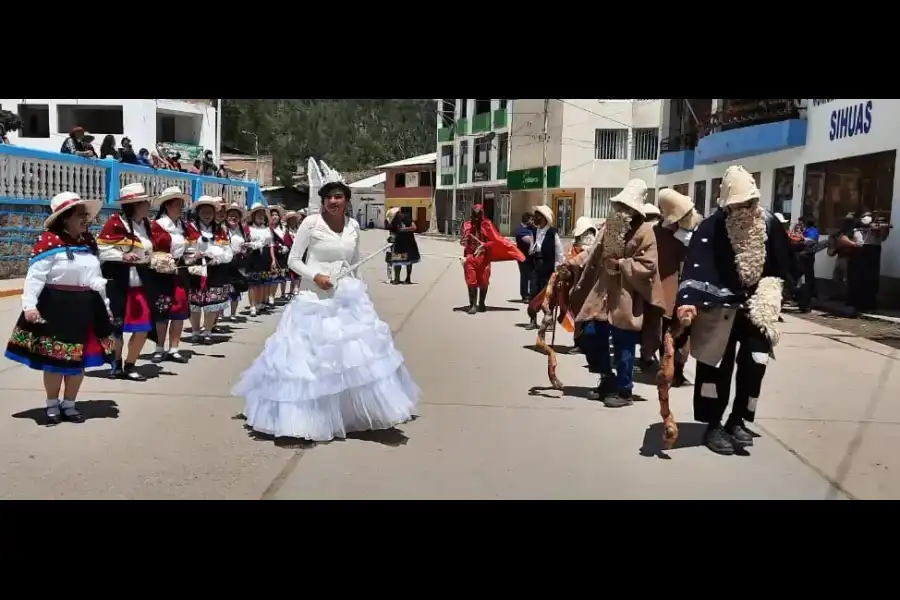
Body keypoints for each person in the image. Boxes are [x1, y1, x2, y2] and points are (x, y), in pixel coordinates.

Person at [233, 168, 420, 442]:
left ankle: (347, 414)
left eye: (339, 196)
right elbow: (294, 260)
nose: (334, 201)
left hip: (346, 297)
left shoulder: (354, 226)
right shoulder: (311, 224)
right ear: (322, 201)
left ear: (346, 200)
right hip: (314, 297)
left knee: (350, 360)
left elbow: (354, 263)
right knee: (311, 360)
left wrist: (361, 296)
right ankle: (306, 419)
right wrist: (315, 275)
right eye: (329, 197)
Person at [676, 166, 797, 455]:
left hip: (756, 308)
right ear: (727, 204)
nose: (746, 209)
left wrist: (773, 292)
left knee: (755, 364)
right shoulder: (710, 228)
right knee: (716, 368)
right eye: (739, 204)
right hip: (720, 308)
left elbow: (785, 266)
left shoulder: (768, 223)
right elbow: (697, 267)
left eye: (750, 203)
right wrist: (689, 302)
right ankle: (713, 424)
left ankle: (739, 419)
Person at [4, 192, 115, 424]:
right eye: (80, 215)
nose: (85, 219)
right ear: (65, 218)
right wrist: (29, 306)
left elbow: (96, 277)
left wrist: (105, 306)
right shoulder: (50, 241)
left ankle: (70, 404)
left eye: (86, 215)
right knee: (55, 360)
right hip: (56, 307)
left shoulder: (88, 243)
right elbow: (35, 277)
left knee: (78, 360)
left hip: (86, 307)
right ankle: (52, 404)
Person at [568, 180, 657, 408]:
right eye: (619, 206)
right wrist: (569, 264)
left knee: (624, 345)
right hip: (602, 294)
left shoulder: (646, 232)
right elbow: (592, 253)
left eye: (626, 207)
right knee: (589, 333)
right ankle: (607, 378)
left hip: (627, 297)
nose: (621, 211)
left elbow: (648, 266)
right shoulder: (610, 227)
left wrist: (621, 265)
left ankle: (624, 391)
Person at [641, 188, 702, 386]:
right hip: (665, 292)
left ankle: (679, 369)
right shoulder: (656, 233)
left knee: (685, 335)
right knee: (665, 332)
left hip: (690, 291)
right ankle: (667, 369)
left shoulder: (694, 231)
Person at [97, 183, 158, 381]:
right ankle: (116, 364)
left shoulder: (146, 224)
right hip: (118, 281)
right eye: (144, 202)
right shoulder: (114, 224)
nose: (147, 205)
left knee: (142, 326)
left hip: (140, 282)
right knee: (116, 327)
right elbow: (102, 250)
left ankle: (131, 364)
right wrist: (123, 257)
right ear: (133, 205)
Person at [148, 186, 200, 363]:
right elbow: (149, 249)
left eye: (181, 205)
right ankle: (159, 348)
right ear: (167, 206)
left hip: (180, 274)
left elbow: (193, 247)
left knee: (179, 311)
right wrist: (160, 260)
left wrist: (193, 256)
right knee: (162, 312)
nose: (181, 208)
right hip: (161, 275)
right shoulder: (156, 226)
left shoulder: (184, 227)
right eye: (177, 205)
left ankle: (174, 348)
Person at [187, 196, 234, 344]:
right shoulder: (190, 228)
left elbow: (228, 251)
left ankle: (207, 331)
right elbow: (186, 249)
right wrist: (195, 255)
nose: (207, 215)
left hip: (215, 269)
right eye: (203, 211)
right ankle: (195, 331)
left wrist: (218, 258)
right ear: (198, 212)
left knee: (212, 303)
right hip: (196, 269)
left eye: (210, 212)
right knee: (195, 302)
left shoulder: (221, 230)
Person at [526, 205, 564, 330]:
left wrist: (558, 269)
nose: (535, 218)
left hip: (547, 268)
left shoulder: (552, 233)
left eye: (538, 216)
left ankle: (548, 321)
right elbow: (531, 248)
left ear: (544, 218)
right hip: (535, 266)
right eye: (535, 215)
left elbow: (559, 253)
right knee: (533, 292)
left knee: (547, 296)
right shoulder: (533, 231)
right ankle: (532, 320)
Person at [848, 211, 890, 312]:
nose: (866, 219)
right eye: (864, 217)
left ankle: (869, 303)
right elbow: (850, 239)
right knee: (857, 278)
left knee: (871, 278)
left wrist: (882, 229)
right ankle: (855, 303)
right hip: (858, 252)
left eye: (868, 217)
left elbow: (883, 237)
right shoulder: (856, 229)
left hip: (872, 252)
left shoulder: (877, 229)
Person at [243, 203, 276, 317]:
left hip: (265, 256)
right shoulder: (248, 229)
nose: (261, 216)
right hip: (253, 256)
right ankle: (252, 305)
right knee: (253, 284)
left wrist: (273, 259)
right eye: (258, 214)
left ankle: (259, 303)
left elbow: (271, 244)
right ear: (253, 216)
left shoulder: (267, 229)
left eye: (262, 214)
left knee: (262, 282)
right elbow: (245, 243)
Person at [223, 203, 250, 320]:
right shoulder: (222, 228)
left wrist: (246, 249)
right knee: (223, 288)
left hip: (238, 261)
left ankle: (233, 313)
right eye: (231, 215)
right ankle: (220, 313)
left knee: (236, 287)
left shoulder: (242, 230)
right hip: (224, 261)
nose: (233, 218)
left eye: (236, 216)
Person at [387, 209, 421, 284]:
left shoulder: (407, 218)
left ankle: (408, 278)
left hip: (409, 243)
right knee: (397, 261)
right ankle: (397, 279)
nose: (400, 215)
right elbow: (392, 233)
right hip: (399, 244)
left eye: (399, 214)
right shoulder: (393, 222)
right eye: (397, 215)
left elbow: (414, 227)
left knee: (409, 261)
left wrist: (404, 229)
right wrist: (391, 239)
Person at [268, 205, 290, 302]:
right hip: (270, 254)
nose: (275, 217)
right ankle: (267, 296)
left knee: (278, 276)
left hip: (281, 255)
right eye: (272, 215)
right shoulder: (267, 228)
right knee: (269, 277)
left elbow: (287, 240)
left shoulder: (283, 228)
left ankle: (272, 295)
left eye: (276, 215)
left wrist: (286, 247)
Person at [515, 212, 536, 303]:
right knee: (525, 276)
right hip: (523, 257)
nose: (533, 221)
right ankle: (525, 296)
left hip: (531, 257)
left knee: (532, 276)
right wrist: (533, 239)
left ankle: (532, 295)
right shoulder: (521, 230)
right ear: (527, 220)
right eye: (532, 219)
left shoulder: (531, 228)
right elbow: (529, 240)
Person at [284, 211, 303, 297]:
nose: (293, 221)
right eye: (291, 219)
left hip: (299, 252)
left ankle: (296, 288)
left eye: (294, 219)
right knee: (290, 272)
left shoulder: (300, 230)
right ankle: (291, 289)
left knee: (298, 270)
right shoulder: (285, 230)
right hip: (288, 253)